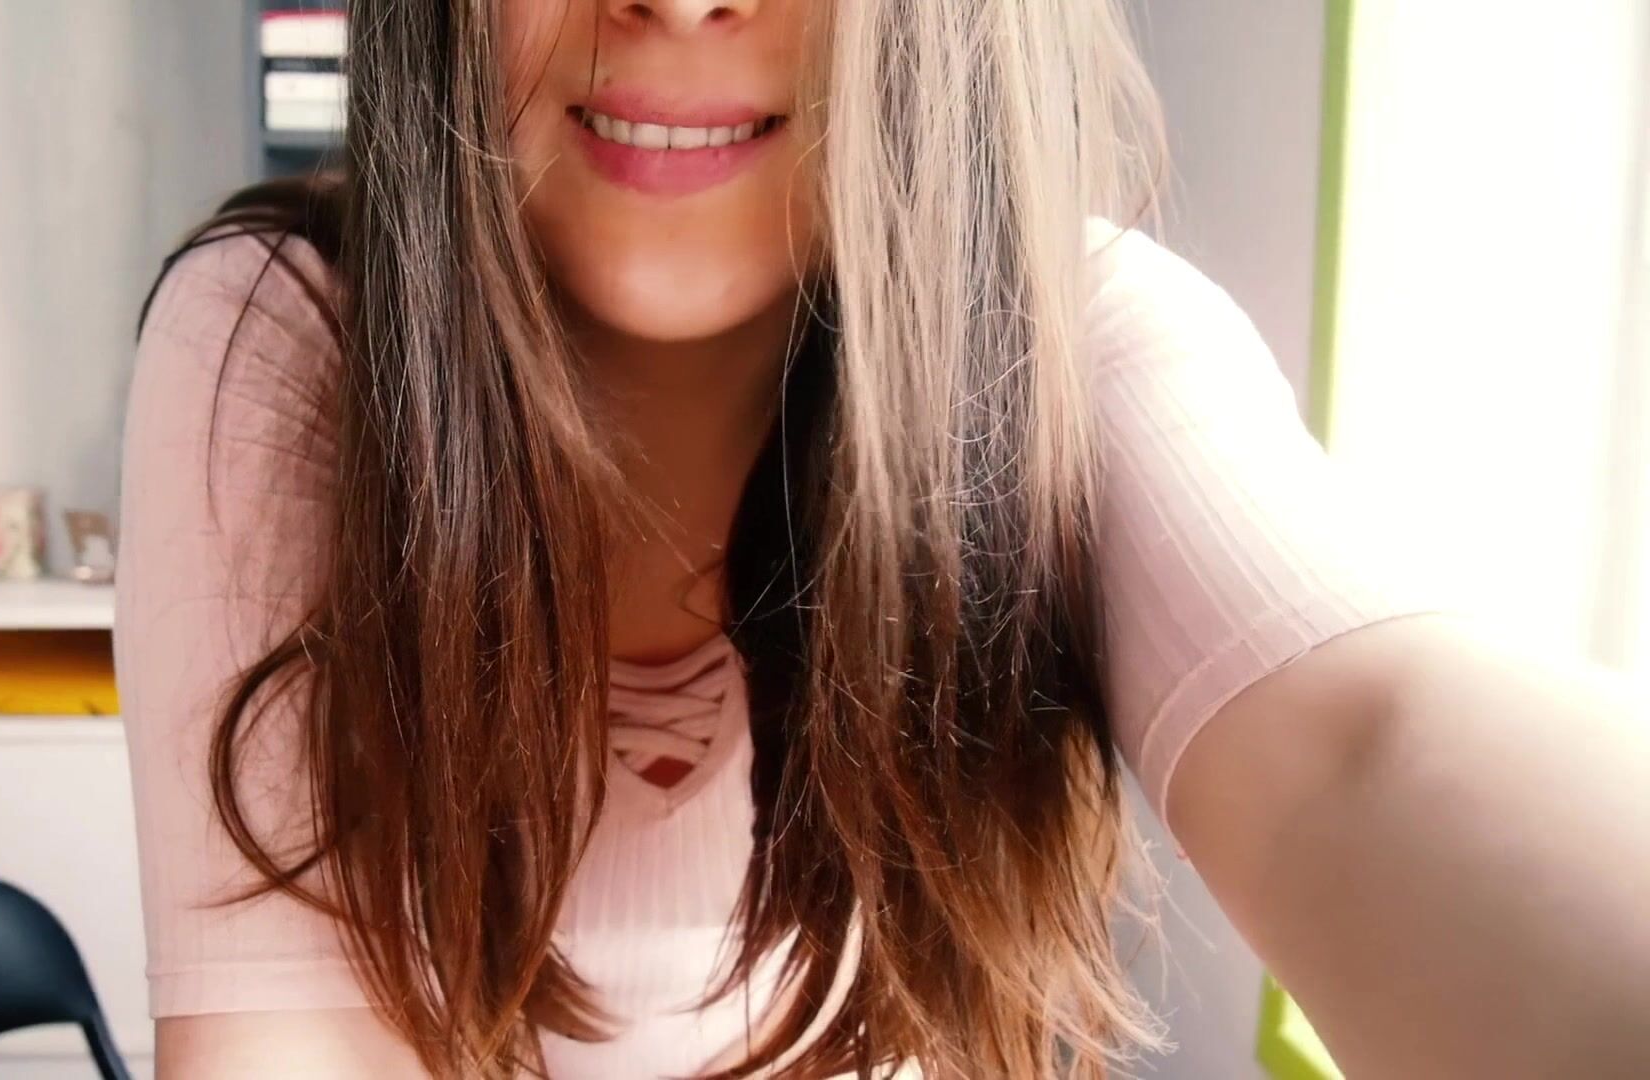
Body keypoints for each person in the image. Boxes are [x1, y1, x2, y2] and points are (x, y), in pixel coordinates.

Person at [112, 2, 1650, 1077]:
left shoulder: (1078, 349)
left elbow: (1358, 742)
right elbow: (278, 1038)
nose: (684, 2)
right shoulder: (286, 339)